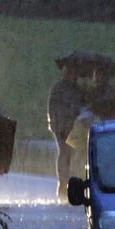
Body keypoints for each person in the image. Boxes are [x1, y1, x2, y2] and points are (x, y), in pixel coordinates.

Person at [47, 63, 83, 202]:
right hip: (62, 125)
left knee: (70, 155)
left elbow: (80, 105)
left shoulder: (76, 89)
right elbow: (52, 107)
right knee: (64, 153)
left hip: (73, 125)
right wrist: (55, 123)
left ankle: (68, 184)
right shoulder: (59, 88)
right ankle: (63, 185)